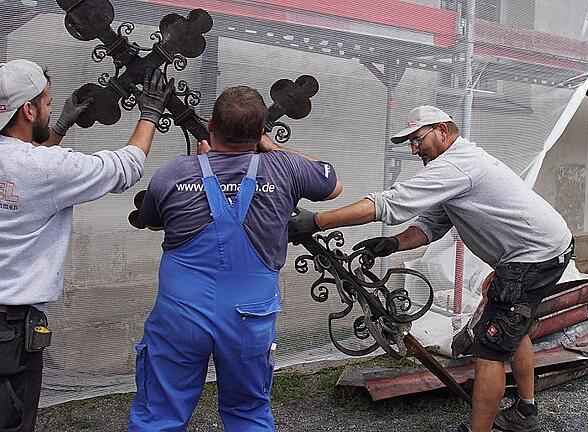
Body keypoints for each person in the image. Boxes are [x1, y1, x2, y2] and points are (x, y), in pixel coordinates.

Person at [289, 105, 573, 432]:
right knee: (513, 327)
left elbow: (389, 203)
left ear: (442, 130)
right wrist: (393, 243)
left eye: (417, 139)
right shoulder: (456, 166)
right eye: (409, 143)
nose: (413, 149)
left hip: (533, 255)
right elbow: (430, 226)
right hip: (543, 248)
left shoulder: (456, 165)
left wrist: (317, 221)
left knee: (490, 345)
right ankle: (526, 411)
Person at [127, 85, 342, 431]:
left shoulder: (172, 173)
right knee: (248, 413)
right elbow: (332, 183)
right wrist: (273, 148)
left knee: (159, 415)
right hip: (249, 317)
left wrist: (200, 164)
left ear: (211, 124)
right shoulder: (284, 168)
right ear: (260, 133)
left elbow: (152, 222)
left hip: (180, 315)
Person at [0, 59, 172, 431]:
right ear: (28, 110)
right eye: (46, 103)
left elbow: (29, 169)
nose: (50, 107)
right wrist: (150, 114)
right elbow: (125, 167)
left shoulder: (33, 165)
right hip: (8, 332)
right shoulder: (46, 168)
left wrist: (59, 125)